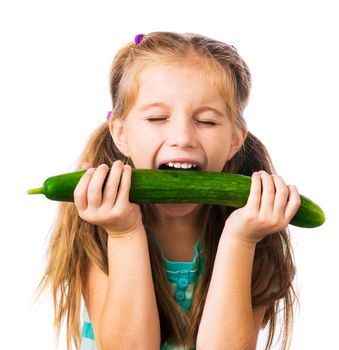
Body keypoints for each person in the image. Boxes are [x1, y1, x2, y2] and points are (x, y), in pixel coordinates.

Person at [38, 31, 301, 350]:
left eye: (206, 121)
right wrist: (123, 233)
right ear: (121, 133)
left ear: (235, 139)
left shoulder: (261, 231)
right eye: (157, 117)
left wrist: (241, 239)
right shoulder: (97, 223)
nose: (182, 137)